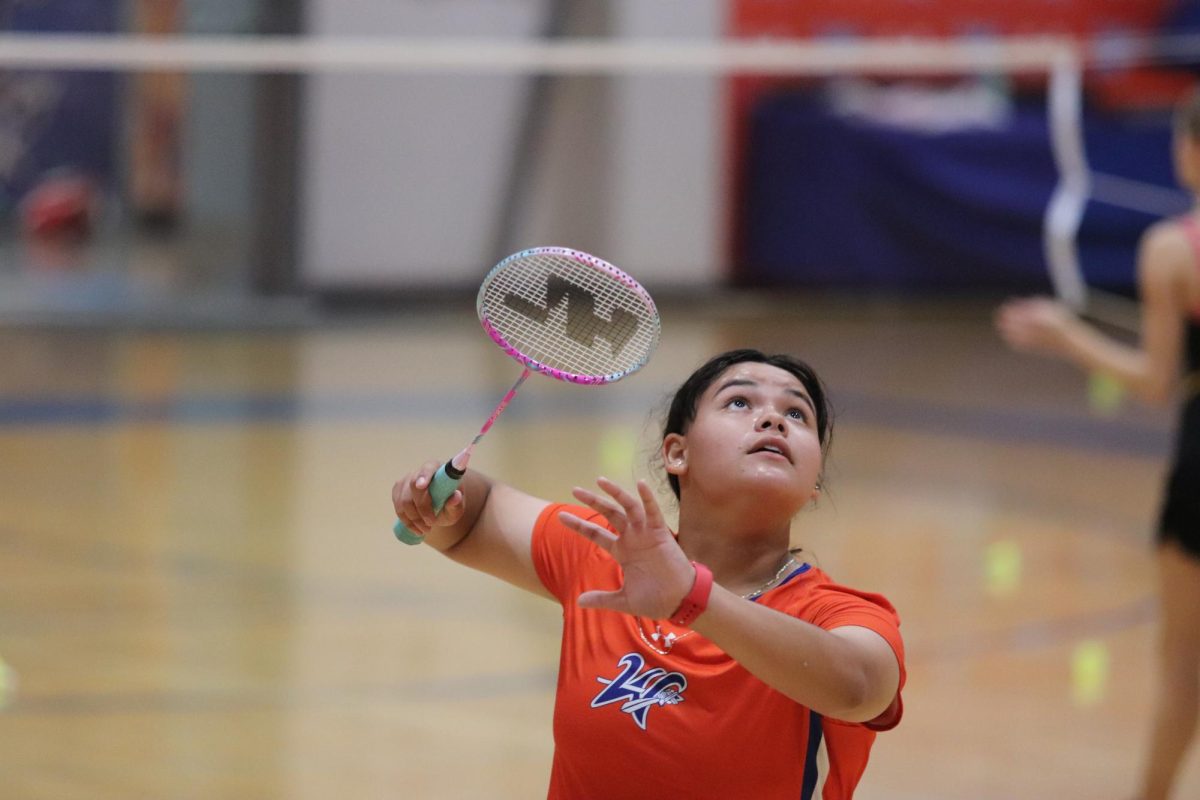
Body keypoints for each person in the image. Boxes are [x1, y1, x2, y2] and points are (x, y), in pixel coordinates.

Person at [392, 348, 905, 799]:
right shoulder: (608, 555)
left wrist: (692, 597)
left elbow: (860, 689)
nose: (773, 420)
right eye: (740, 403)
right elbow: (475, 518)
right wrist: (438, 504)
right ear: (676, 452)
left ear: (813, 482)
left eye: (797, 413)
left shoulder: (831, 613)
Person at [996, 90, 1200, 800]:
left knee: (1183, 666)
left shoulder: (1174, 249)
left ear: (1187, 151)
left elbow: (1153, 382)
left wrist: (1064, 333)